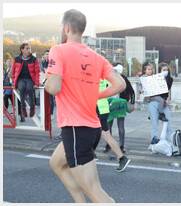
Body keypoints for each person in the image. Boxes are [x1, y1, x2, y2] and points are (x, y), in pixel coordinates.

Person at [44, 9, 126, 203]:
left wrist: (45, 81)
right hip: (91, 127)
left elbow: (54, 88)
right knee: (56, 163)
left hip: (75, 128)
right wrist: (96, 94)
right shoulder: (97, 57)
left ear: (66, 28)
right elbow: (120, 84)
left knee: (96, 192)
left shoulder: (58, 50)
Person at [94, 79, 131, 172]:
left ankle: (122, 158)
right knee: (102, 133)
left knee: (104, 134)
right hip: (103, 107)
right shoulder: (103, 76)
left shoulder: (94, 75)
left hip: (97, 108)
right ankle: (91, 153)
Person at [105, 63, 135, 153]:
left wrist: (132, 103)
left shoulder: (109, 78)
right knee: (116, 126)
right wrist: (132, 102)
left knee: (110, 126)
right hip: (117, 103)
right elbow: (132, 92)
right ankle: (119, 146)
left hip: (115, 103)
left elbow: (131, 92)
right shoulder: (123, 78)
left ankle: (113, 145)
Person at [142, 62, 173, 145]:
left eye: (167, 70)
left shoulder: (169, 79)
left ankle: (170, 140)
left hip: (163, 102)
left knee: (168, 122)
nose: (165, 71)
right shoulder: (152, 78)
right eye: (163, 70)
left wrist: (168, 99)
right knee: (154, 123)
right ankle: (154, 140)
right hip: (153, 101)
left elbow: (168, 91)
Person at [12, 42, 40, 121]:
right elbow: (13, 72)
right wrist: (14, 83)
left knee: (29, 89)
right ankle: (23, 109)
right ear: (22, 50)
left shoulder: (34, 59)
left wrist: (36, 83)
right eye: (27, 48)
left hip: (30, 79)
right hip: (20, 79)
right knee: (22, 88)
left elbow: (37, 72)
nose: (29, 50)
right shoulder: (16, 58)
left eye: (29, 48)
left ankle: (32, 108)